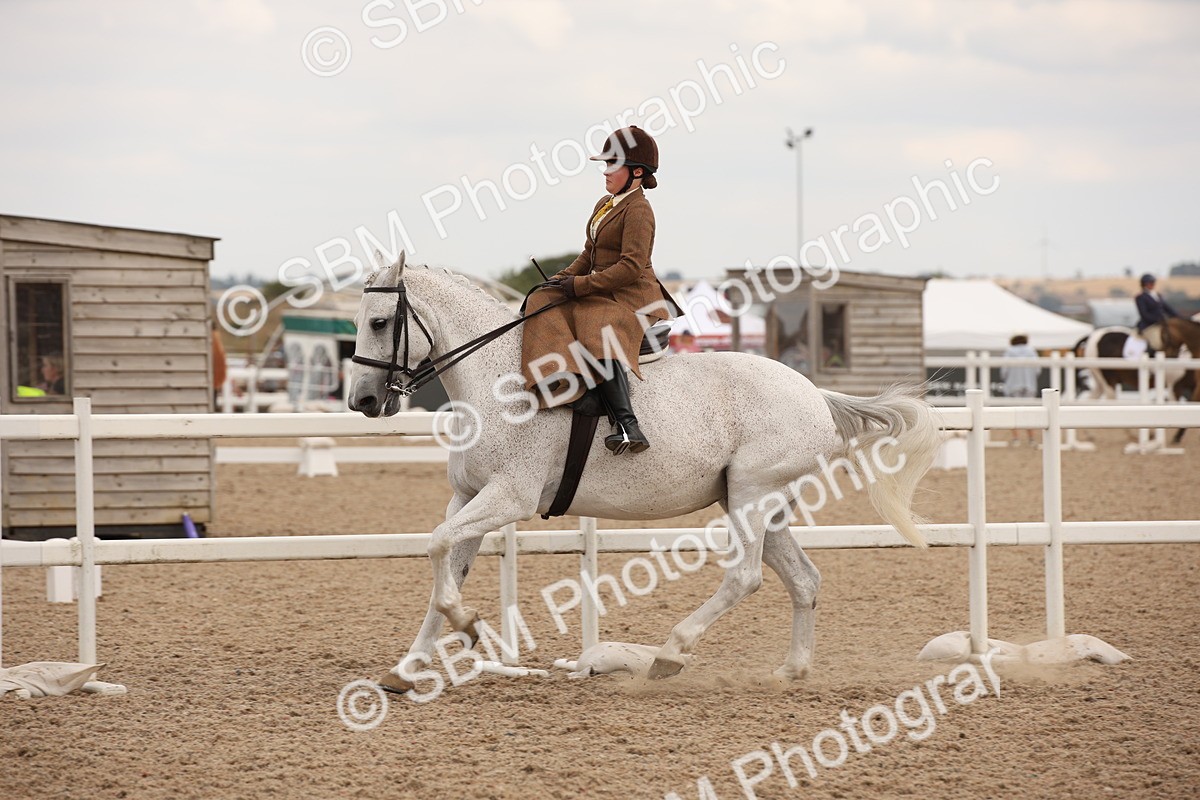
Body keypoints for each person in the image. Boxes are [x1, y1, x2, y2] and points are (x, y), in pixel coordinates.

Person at [520, 126, 679, 455]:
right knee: (540, 299)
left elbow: (631, 267)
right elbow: (588, 254)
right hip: (602, 287)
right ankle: (565, 384)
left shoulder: (639, 211)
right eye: (604, 165)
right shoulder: (605, 203)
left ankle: (626, 424)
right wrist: (559, 280)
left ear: (636, 172)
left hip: (631, 294)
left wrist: (578, 286)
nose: (605, 172)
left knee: (595, 322)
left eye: (612, 165)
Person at [1001, 334, 1038, 445]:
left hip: (1013, 385)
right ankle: (1031, 438)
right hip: (1029, 385)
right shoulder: (1031, 351)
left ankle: (1016, 438)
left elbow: (1004, 371)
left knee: (1013, 412)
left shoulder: (1009, 352)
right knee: (1029, 412)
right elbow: (1037, 370)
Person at [1134, 273, 1180, 353]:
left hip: (1161, 324)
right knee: (1156, 343)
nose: (1152, 285)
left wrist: (1181, 318)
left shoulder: (1158, 295)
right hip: (1149, 326)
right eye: (1149, 283)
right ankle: (1149, 357)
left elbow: (1168, 309)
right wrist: (1158, 320)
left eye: (1153, 283)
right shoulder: (1140, 297)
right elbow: (1144, 314)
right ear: (1144, 284)